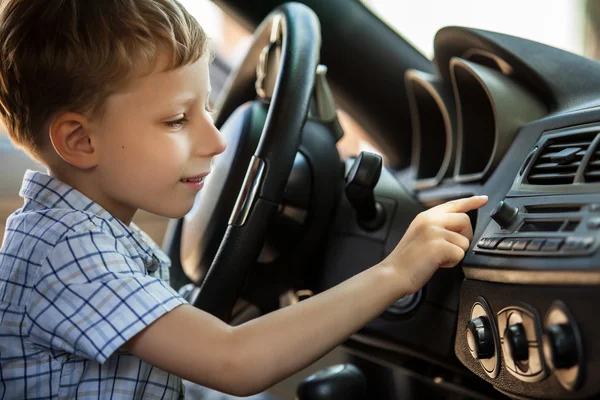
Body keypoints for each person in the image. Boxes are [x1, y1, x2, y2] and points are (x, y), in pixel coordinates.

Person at [0, 0, 488, 399]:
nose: (216, 142)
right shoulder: (67, 252)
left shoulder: (84, 233)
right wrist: (396, 272)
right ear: (81, 141)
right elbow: (233, 360)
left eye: (208, 110)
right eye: (176, 120)